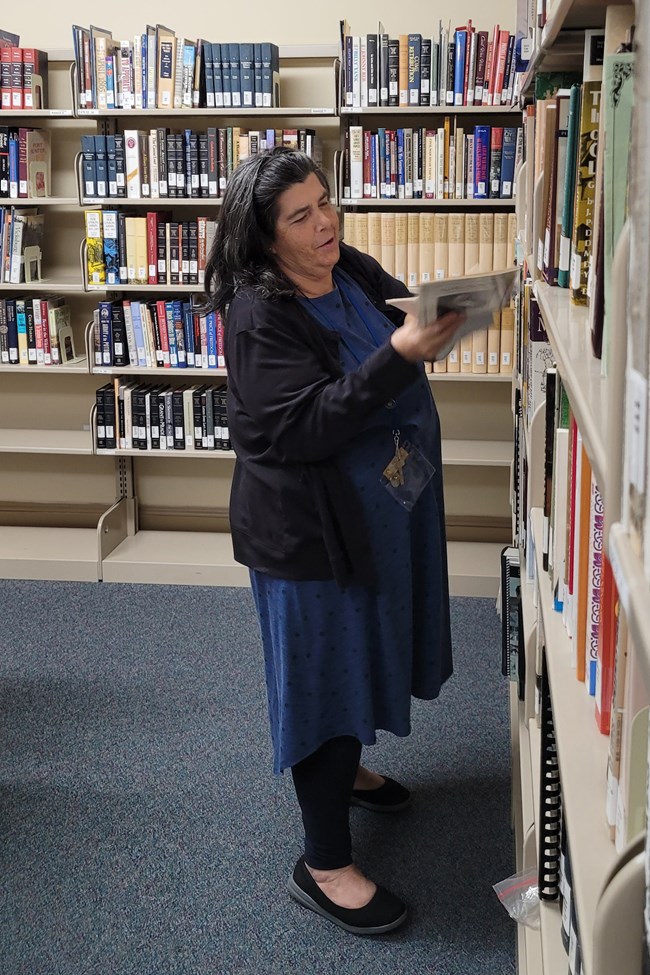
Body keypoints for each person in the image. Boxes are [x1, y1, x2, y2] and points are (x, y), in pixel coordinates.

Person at [203, 147, 465, 936]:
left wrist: (436, 318)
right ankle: (323, 864)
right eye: (302, 214)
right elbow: (305, 426)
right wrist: (401, 358)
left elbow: (387, 317)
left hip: (380, 506)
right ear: (262, 233)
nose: (326, 222)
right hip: (311, 536)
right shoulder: (259, 315)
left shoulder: (344, 264)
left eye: (326, 201)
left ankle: (345, 768)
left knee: (363, 650)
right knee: (322, 679)